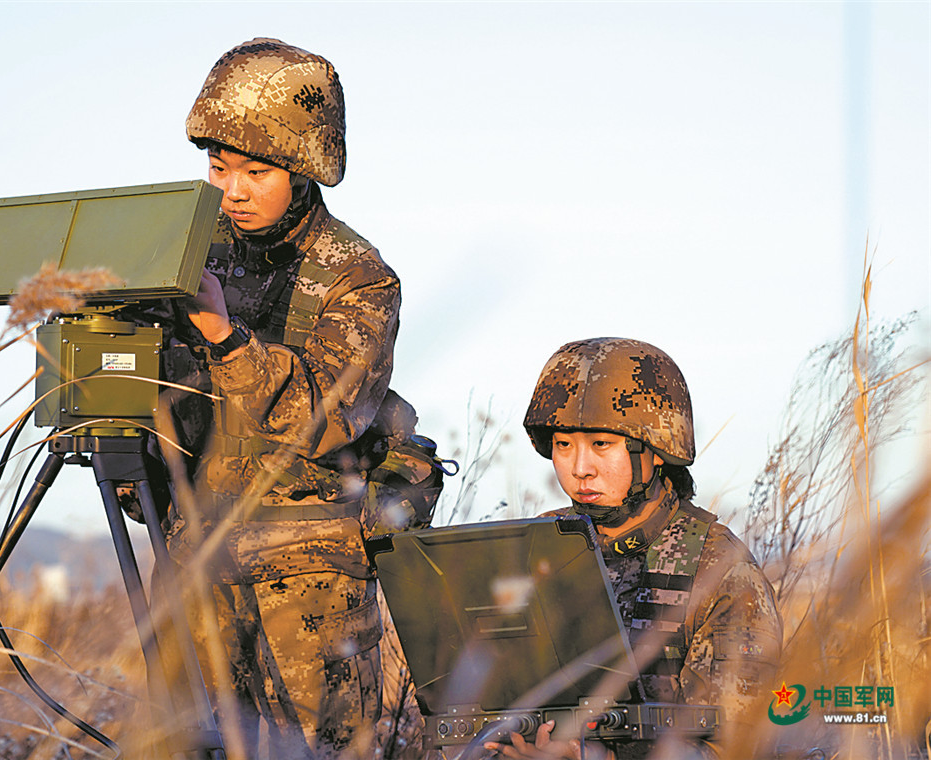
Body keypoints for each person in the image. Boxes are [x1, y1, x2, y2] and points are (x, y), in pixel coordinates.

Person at [146, 38, 420, 759]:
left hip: (306, 586)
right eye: (218, 168)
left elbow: (326, 418)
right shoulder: (183, 253)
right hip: (194, 566)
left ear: (304, 169)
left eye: (256, 171)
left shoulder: (358, 279)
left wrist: (223, 336)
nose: (231, 190)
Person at [485, 337, 782, 760]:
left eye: (601, 444)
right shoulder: (534, 547)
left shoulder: (718, 571)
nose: (579, 468)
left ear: (656, 451)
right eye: (563, 445)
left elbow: (732, 745)